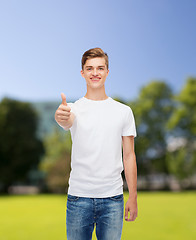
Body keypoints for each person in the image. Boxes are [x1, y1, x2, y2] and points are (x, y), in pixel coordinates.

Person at [55, 47, 138, 240]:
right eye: (90, 68)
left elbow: (129, 155)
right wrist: (61, 116)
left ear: (107, 72)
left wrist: (132, 196)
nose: (95, 73)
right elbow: (65, 120)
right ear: (82, 73)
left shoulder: (123, 111)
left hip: (112, 200)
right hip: (78, 199)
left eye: (100, 68)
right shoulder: (74, 109)